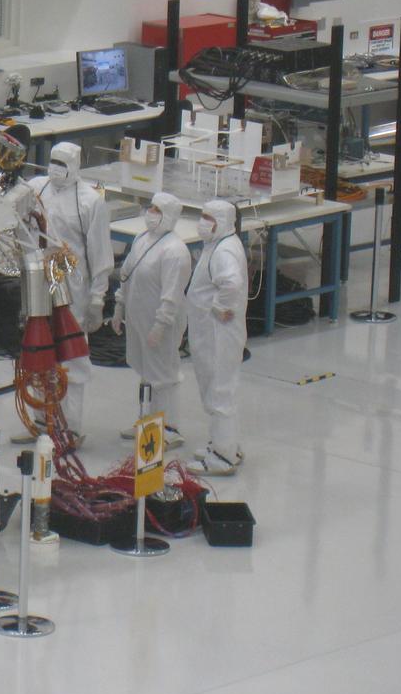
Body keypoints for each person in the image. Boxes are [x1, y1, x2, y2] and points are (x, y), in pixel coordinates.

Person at [25, 140, 113, 441]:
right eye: (53, 162)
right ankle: (40, 422)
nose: (55, 169)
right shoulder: (38, 187)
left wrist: (97, 298)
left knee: (72, 357)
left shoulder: (90, 202)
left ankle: (70, 428)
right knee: (37, 349)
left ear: (75, 167)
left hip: (72, 287)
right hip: (37, 280)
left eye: (62, 164)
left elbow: (100, 254)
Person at [111, 192, 190, 448]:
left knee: (164, 375)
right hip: (138, 319)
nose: (151, 213)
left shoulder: (175, 251)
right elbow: (127, 274)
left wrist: (160, 325)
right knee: (147, 372)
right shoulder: (142, 239)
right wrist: (119, 307)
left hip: (160, 325)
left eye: (157, 210)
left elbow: (171, 295)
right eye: (151, 208)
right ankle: (147, 421)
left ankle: (169, 428)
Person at [184, 199, 248, 476]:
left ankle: (222, 458)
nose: (203, 222)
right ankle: (225, 445)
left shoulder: (223, 252)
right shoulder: (220, 244)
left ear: (222, 221)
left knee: (219, 391)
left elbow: (231, 284)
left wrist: (221, 307)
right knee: (218, 389)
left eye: (209, 217)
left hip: (217, 333)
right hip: (212, 331)